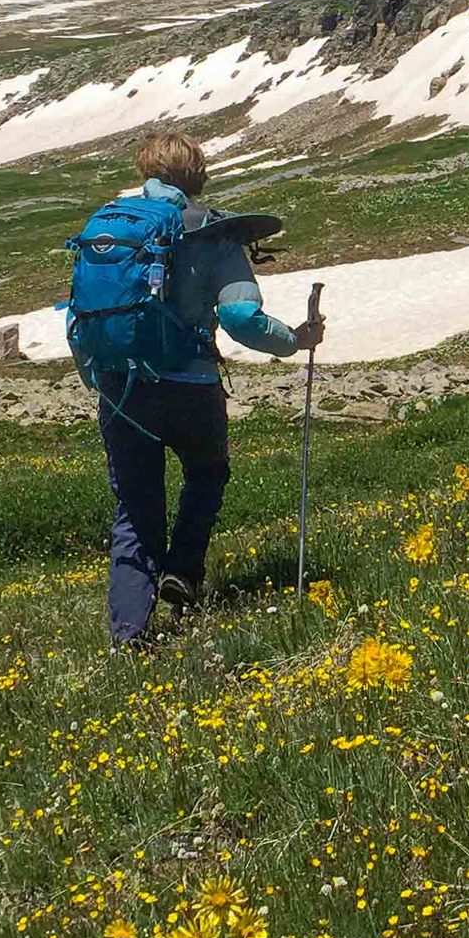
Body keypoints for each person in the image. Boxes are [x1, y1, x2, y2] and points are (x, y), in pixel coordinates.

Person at [87, 132, 321, 646]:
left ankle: (129, 635)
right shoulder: (214, 233)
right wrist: (294, 340)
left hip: (121, 387)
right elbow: (241, 318)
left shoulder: (109, 227)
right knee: (207, 472)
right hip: (190, 385)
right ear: (199, 175)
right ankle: (183, 570)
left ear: (144, 169)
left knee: (135, 505)